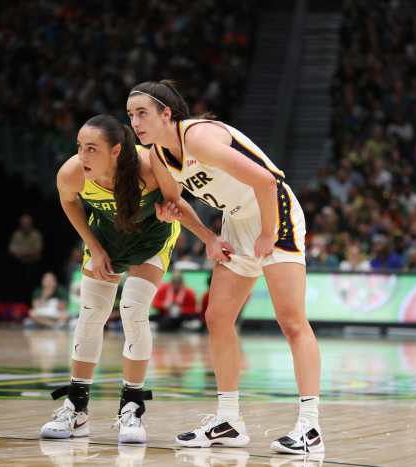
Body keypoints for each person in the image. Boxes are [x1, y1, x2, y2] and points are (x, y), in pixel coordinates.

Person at [127, 79, 324, 454]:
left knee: (292, 321)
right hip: (235, 220)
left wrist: (269, 232)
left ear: (166, 113)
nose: (135, 122)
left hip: (273, 211)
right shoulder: (158, 155)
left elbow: (266, 181)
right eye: (131, 115)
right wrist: (208, 238)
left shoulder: (199, 138)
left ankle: (310, 427)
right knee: (217, 316)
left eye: (142, 113)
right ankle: (229, 421)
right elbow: (175, 205)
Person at [40, 114, 217, 444]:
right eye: (80, 147)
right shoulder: (72, 173)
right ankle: (76, 409)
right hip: (106, 237)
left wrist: (208, 237)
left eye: (92, 149)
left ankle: (132, 407)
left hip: (152, 237)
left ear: (117, 151)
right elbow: (68, 202)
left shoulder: (150, 165)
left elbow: (175, 203)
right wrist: (93, 246)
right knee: (91, 313)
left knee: (134, 308)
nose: (82, 156)